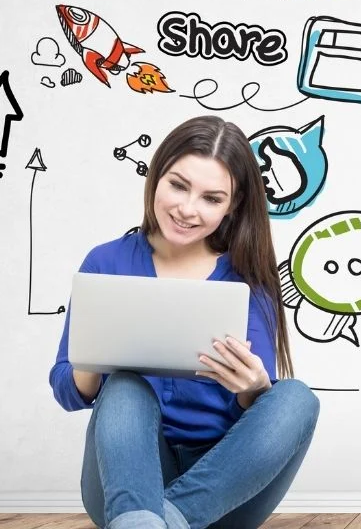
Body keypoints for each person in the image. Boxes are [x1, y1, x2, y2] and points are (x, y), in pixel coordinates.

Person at [49, 115, 320, 529]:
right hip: (124, 479)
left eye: (212, 198)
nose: (187, 209)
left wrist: (253, 389)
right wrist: (96, 353)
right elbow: (69, 392)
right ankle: (141, 518)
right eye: (178, 185)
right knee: (124, 385)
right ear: (157, 177)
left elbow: (257, 415)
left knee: (295, 397)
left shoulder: (249, 278)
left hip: (221, 490)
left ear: (232, 206)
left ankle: (158, 523)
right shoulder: (106, 262)